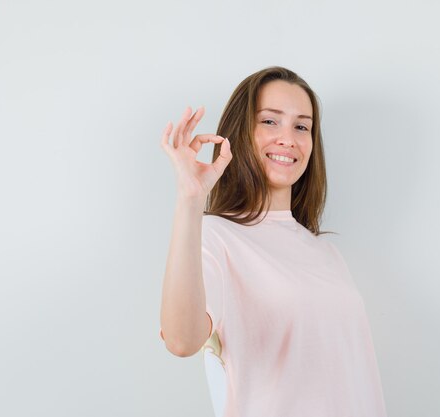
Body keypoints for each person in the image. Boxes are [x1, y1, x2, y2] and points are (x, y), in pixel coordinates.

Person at [159, 66, 387, 417]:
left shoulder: (327, 254)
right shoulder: (217, 235)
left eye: (302, 126)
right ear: (241, 132)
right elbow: (181, 340)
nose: (288, 138)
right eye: (270, 121)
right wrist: (190, 200)